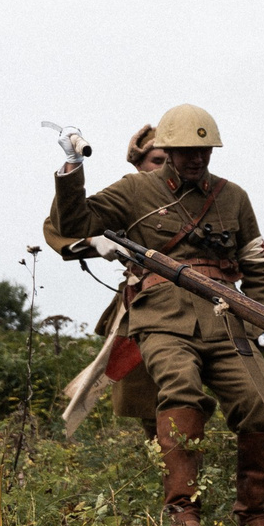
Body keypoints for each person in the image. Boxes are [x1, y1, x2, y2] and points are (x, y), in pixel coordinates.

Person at [46, 103, 264, 526]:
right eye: (185, 151)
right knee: (181, 391)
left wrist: (259, 323)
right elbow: (75, 220)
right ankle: (183, 511)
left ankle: (253, 513)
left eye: (204, 151)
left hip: (226, 319)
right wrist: (72, 167)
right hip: (161, 318)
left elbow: (257, 263)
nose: (197, 159)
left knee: (259, 406)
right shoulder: (135, 190)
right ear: (168, 151)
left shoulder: (234, 197)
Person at [49, 124, 169, 430]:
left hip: (206, 304)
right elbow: (61, 224)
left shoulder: (201, 191)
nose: (166, 167)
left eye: (172, 159)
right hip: (148, 304)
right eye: (157, 160)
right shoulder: (129, 194)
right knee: (154, 406)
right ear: (139, 164)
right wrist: (93, 242)